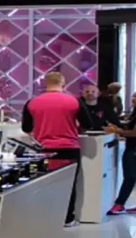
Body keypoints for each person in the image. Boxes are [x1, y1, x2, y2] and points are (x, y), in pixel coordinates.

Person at [22, 71, 91, 227]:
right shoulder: (74, 101)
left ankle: (46, 216)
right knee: (69, 184)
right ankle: (68, 218)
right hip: (69, 147)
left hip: (43, 150)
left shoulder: (32, 102)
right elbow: (88, 124)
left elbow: (26, 128)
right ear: (63, 83)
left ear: (45, 83)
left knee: (44, 183)